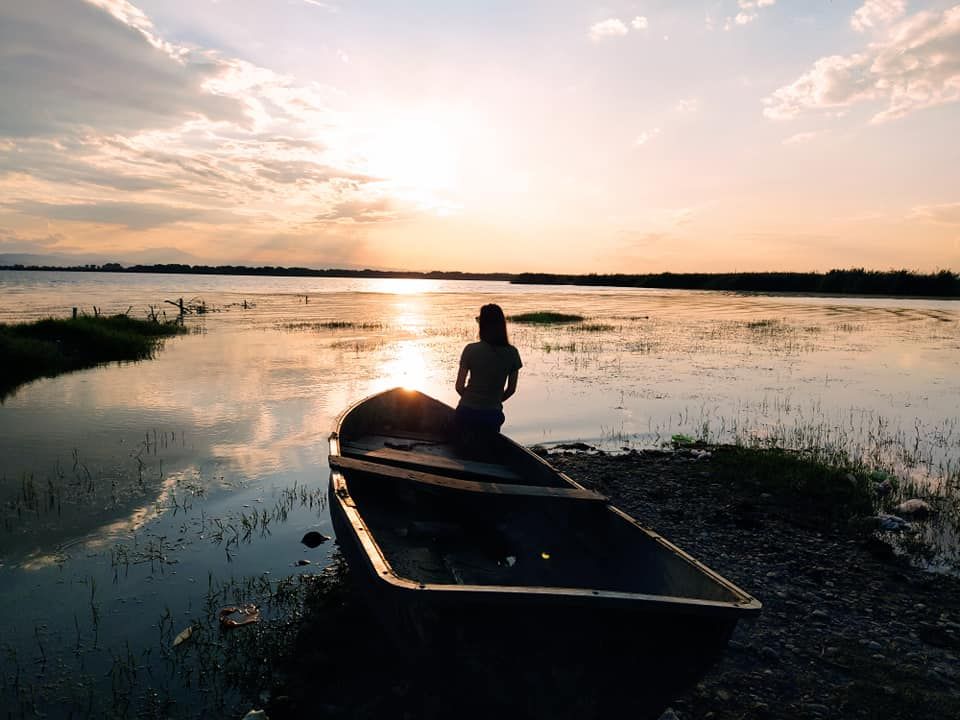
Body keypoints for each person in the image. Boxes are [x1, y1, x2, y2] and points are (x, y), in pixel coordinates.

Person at [454, 304, 522, 447]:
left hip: (466, 413)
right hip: (492, 415)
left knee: (463, 447)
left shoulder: (470, 349)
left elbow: (459, 387)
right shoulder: (512, 353)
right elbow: (511, 390)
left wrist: (472, 400)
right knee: (487, 447)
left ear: (483, 325)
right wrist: (494, 400)